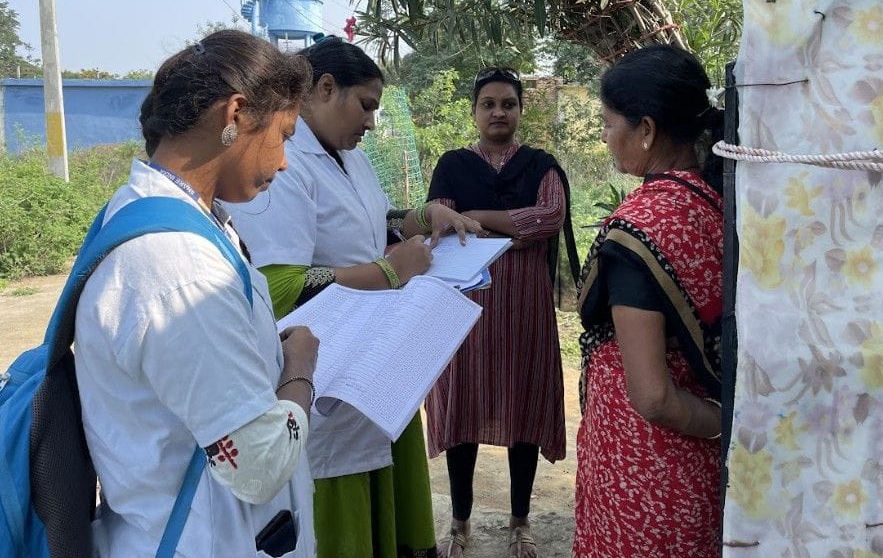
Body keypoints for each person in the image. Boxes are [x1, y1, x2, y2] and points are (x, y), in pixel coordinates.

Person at [227, 36, 482, 558]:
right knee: (342, 500)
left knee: (388, 481)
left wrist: (425, 216)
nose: (370, 122)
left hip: (377, 357)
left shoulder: (348, 157)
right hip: (327, 368)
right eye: (365, 106)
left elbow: (374, 220)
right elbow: (279, 285)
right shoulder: (285, 166)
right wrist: (388, 272)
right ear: (324, 88)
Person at [73, 30, 319, 557]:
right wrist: (299, 368)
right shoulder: (177, 267)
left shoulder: (157, 213)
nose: (284, 162)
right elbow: (258, 467)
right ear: (235, 114)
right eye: (284, 134)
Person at [572, 44, 725, 558]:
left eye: (609, 122)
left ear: (646, 130)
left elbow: (654, 397)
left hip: (643, 471)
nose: (604, 135)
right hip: (700, 474)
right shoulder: (717, 204)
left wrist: (726, 423)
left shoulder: (640, 229)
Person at [424, 67, 580, 558]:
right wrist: (508, 226)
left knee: (522, 408)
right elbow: (440, 222)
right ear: (474, 112)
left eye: (507, 104)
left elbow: (549, 217)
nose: (498, 112)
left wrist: (478, 220)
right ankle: (460, 524)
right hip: (465, 309)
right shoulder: (452, 164)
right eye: (488, 103)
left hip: (524, 311)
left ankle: (519, 522)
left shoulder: (541, 165)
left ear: (519, 111)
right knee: (464, 410)